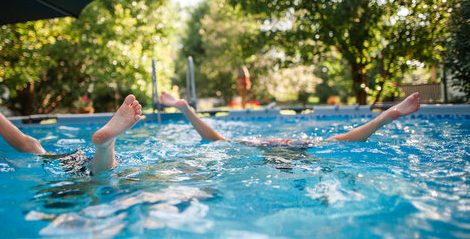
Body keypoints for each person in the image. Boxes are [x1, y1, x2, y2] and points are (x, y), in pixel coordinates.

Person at [0, 82, 142, 175]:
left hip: (64, 165)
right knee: (103, 175)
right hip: (79, 163)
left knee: (32, 146)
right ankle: (106, 146)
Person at [159, 91, 421, 145]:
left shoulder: (262, 150)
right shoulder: (296, 150)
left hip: (267, 147)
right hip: (294, 148)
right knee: (338, 140)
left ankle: (186, 110)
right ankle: (383, 118)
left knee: (221, 140)